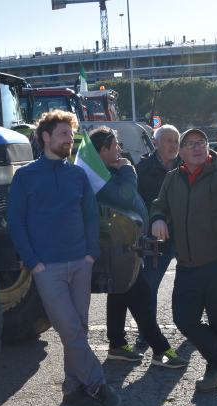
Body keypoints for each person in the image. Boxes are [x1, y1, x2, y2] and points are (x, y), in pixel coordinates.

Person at [7, 110, 122, 406]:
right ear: (45, 137)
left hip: (80, 263)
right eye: (62, 134)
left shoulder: (77, 175)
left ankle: (73, 389)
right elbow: (16, 222)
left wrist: (90, 254)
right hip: (48, 268)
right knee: (70, 328)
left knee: (79, 328)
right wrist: (33, 262)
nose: (69, 140)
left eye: (71, 135)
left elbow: (90, 216)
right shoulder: (26, 176)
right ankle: (98, 384)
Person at [150, 128, 217, 392]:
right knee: (184, 319)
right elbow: (159, 204)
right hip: (187, 265)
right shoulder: (172, 178)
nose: (197, 148)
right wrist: (157, 218)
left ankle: (215, 373)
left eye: (201, 143)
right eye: (190, 144)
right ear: (180, 151)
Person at [89, 127, 187, 369]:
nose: (119, 150)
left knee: (120, 293)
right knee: (140, 295)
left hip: (125, 244)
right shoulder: (100, 174)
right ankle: (160, 349)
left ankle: (117, 345)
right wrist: (127, 169)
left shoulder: (104, 171)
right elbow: (125, 195)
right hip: (120, 246)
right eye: (115, 146)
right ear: (103, 150)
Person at [135, 124, 181, 347]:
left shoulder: (187, 165)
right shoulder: (142, 168)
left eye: (176, 141)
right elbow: (137, 202)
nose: (173, 145)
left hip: (184, 235)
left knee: (192, 282)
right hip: (156, 239)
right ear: (156, 142)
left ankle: (191, 324)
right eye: (168, 140)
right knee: (149, 285)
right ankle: (146, 331)